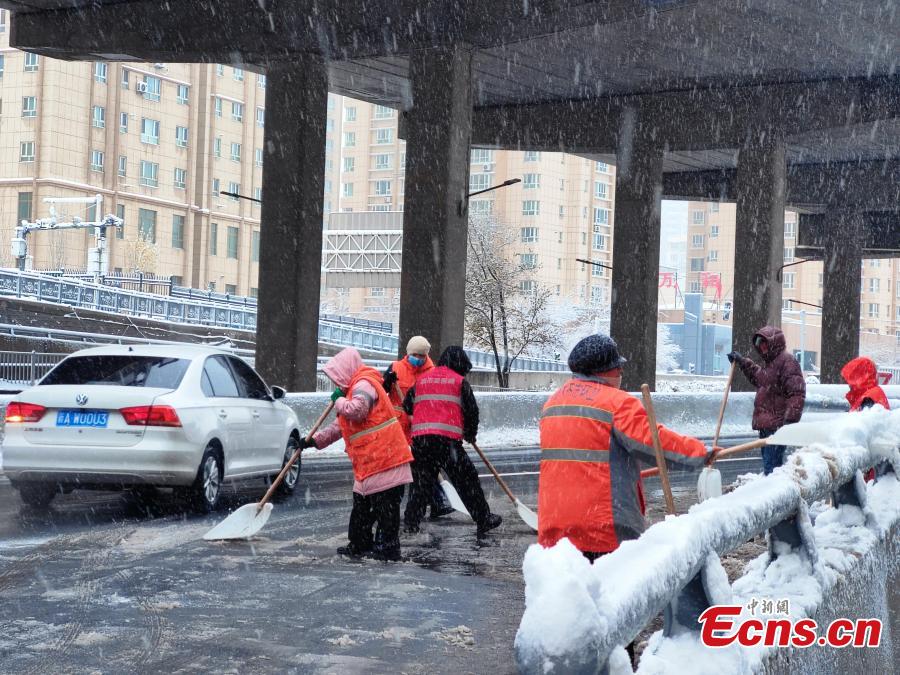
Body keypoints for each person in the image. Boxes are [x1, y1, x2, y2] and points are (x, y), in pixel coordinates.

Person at [538, 334, 711, 562]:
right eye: (618, 367)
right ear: (607, 370)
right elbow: (653, 443)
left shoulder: (553, 403)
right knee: (612, 595)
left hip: (556, 527)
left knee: (572, 595)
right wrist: (698, 453)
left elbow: (582, 458)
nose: (621, 372)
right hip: (603, 528)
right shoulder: (616, 403)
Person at [300, 347, 413, 562]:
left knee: (385, 511)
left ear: (346, 371)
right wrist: (314, 441)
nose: (336, 383)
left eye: (337, 377)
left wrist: (339, 401)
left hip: (386, 459)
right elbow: (339, 426)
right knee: (362, 508)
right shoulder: (354, 389)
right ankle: (360, 544)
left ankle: (386, 550)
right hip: (370, 462)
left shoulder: (364, 384)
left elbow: (357, 411)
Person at [402, 346, 502, 537]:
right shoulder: (459, 382)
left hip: (422, 442)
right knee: (467, 481)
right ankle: (483, 518)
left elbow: (407, 406)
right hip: (447, 443)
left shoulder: (422, 380)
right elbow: (472, 411)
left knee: (420, 487)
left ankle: (411, 523)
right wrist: (470, 434)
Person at [383, 335, 454, 519]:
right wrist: (387, 382)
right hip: (399, 427)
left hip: (421, 427)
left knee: (423, 468)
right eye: (415, 354)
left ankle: (434, 504)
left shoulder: (433, 372)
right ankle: (434, 502)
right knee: (403, 469)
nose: (418, 358)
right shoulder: (395, 368)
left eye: (422, 355)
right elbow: (382, 392)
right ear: (408, 354)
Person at [727, 326, 806, 475]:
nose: (761, 347)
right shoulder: (772, 363)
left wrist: (789, 422)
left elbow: (796, 393)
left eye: (764, 343)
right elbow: (759, 377)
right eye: (759, 343)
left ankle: (779, 495)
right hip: (767, 426)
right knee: (770, 468)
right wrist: (742, 362)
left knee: (772, 469)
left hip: (776, 426)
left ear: (773, 343)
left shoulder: (787, 362)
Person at [841, 356, 891, 481]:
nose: (848, 385)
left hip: (870, 469)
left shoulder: (868, 398)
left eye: (851, 379)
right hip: (876, 465)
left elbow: (863, 434)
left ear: (859, 377)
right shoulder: (872, 394)